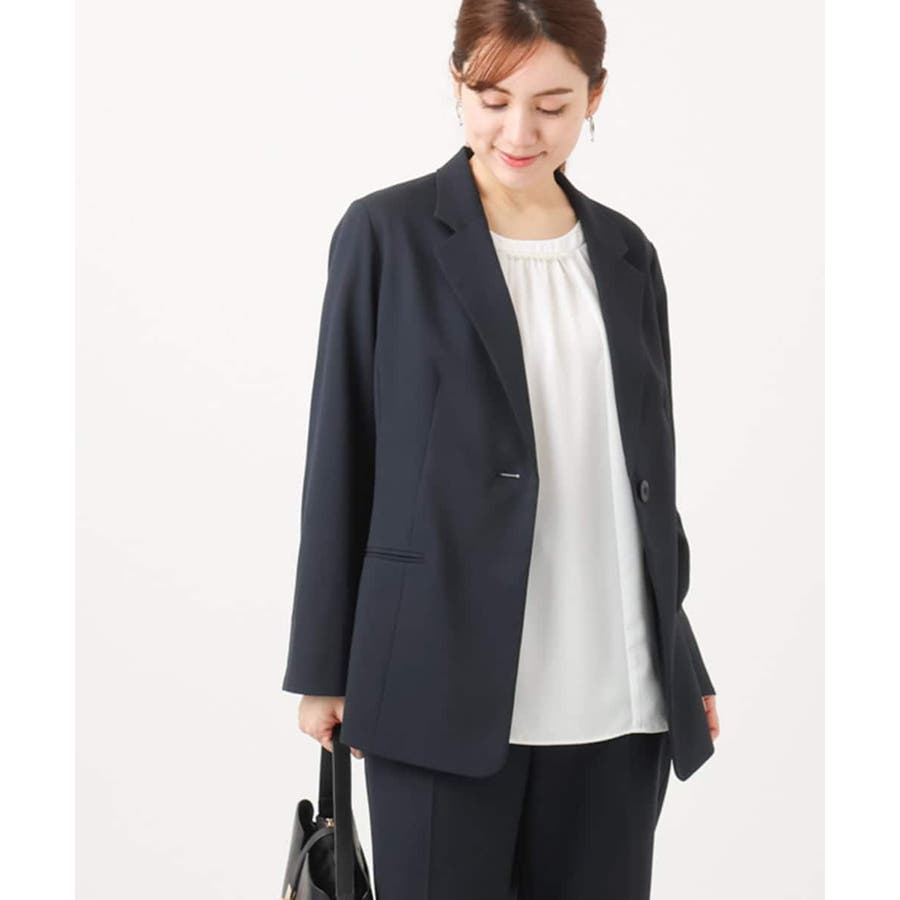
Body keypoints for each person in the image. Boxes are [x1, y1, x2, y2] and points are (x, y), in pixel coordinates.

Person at [283, 2, 720, 897]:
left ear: (596, 97)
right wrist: (323, 667)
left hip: (618, 689)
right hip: (434, 678)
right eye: (492, 100)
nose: (519, 132)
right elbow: (340, 454)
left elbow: (642, 478)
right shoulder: (387, 234)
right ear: (457, 86)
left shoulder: (627, 254)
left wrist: (682, 655)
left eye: (553, 106)